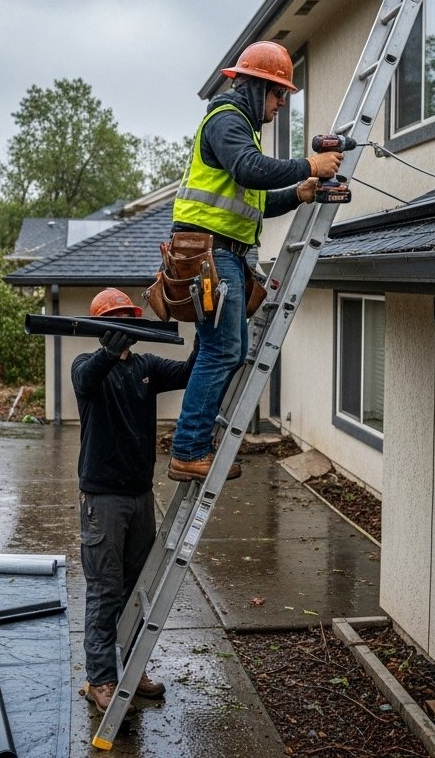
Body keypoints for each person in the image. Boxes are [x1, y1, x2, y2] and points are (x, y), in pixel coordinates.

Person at [166, 40, 343, 482]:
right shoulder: (227, 120)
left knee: (219, 350)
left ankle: (194, 445)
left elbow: (253, 202)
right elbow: (251, 170)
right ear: (254, 86)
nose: (282, 102)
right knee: (226, 351)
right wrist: (309, 166)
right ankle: (189, 450)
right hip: (210, 253)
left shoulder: (241, 127)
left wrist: (297, 194)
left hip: (221, 252)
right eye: (278, 92)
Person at [72, 287, 196, 712]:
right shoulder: (87, 367)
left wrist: (211, 333)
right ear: (103, 328)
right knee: (105, 590)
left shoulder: (147, 366)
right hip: (102, 499)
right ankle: (101, 678)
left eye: (130, 317)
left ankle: (132, 666)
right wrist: (108, 352)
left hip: (140, 496)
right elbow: (87, 379)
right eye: (117, 319)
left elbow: (189, 373)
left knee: (137, 588)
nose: (126, 325)